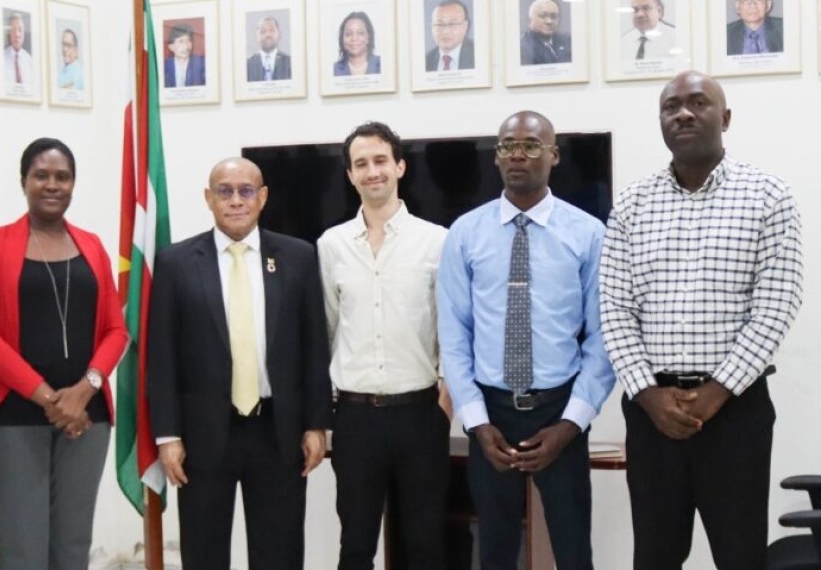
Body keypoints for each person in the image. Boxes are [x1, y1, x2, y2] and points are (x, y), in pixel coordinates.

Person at [600, 71, 803, 570]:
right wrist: (648, 395)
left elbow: (777, 305)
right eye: (671, 106)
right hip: (651, 416)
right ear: (661, 122)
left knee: (739, 555)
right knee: (654, 555)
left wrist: (716, 392)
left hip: (735, 413)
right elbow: (614, 308)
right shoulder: (631, 203)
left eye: (698, 103)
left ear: (725, 118)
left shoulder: (768, 196)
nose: (684, 113)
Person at [438, 111, 615, 570]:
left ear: (554, 155)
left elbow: (603, 337)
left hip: (560, 412)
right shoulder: (465, 234)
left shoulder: (589, 234)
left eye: (532, 145)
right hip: (490, 415)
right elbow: (454, 336)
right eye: (507, 146)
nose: (518, 154)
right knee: (494, 549)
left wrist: (571, 424)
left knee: (574, 550)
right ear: (497, 158)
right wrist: (475, 421)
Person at [148, 157, 333, 570]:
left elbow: (314, 346)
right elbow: (162, 356)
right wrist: (167, 435)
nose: (235, 200)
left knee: (280, 553)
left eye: (245, 191)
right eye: (225, 191)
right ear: (208, 199)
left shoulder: (298, 257)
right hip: (202, 436)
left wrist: (317, 423)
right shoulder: (176, 263)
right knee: (203, 553)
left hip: (278, 432)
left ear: (262, 197)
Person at [0, 138, 128, 570]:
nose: (52, 184)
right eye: (42, 175)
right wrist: (51, 399)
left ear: (73, 184)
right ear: (24, 181)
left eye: (62, 176)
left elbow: (117, 330)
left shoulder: (92, 245)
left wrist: (83, 391)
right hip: (13, 417)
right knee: (22, 548)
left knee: (73, 546)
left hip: (87, 420)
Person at [319, 122, 450, 570]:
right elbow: (328, 330)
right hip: (356, 419)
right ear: (350, 175)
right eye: (361, 164)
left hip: (421, 414)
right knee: (355, 545)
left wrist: (447, 400)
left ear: (399, 166)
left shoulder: (437, 241)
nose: (372, 171)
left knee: (426, 543)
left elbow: (451, 328)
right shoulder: (331, 246)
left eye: (380, 160)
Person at [425, 0, 475, 72]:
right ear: (432, 27)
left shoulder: (477, 55)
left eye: (452, 24)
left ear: (465, 26)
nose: (446, 31)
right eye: (440, 24)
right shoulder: (426, 60)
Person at [519, 0, 571, 65]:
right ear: (530, 20)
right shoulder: (522, 48)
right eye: (543, 16)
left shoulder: (568, 42)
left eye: (553, 16)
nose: (549, 21)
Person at [333, 12, 381, 76]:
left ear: (368, 37)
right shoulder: (334, 70)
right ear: (342, 39)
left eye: (360, 33)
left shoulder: (381, 65)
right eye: (348, 34)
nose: (354, 38)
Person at [246, 16, 292, 82]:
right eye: (263, 31)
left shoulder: (290, 63)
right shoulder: (247, 64)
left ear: (279, 34)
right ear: (257, 36)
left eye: (272, 30)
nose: (268, 35)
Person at [2, 11, 34, 85]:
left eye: (20, 30)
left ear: (24, 33)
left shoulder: (30, 61)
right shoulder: (1, 58)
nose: (17, 34)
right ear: (9, 33)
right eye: (13, 30)